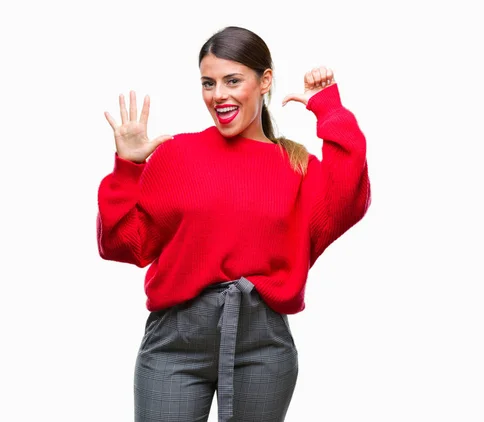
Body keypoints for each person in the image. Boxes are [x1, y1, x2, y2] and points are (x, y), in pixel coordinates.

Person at [96, 25, 371, 422]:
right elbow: (121, 244)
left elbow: (349, 197)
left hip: (262, 345)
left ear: (265, 81)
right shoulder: (177, 155)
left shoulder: (295, 166)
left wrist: (328, 108)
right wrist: (129, 167)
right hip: (175, 343)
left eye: (232, 80)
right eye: (208, 83)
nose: (218, 95)